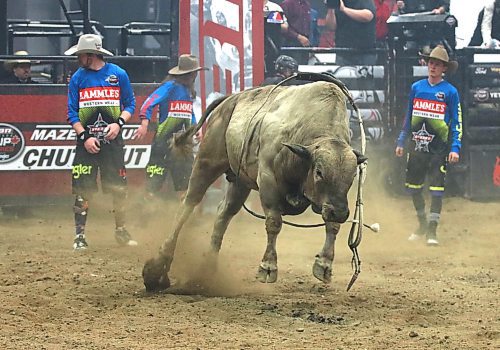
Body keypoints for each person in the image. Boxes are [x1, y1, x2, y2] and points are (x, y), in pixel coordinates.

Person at [65, 34, 137, 250]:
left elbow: (130, 103)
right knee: (82, 190)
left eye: (81, 54)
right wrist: (84, 137)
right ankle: (79, 236)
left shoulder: (118, 74)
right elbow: (72, 112)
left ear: (91, 55)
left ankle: (121, 230)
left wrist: (118, 124)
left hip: (112, 144)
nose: (79, 58)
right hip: (86, 145)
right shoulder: (77, 78)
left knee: (118, 188)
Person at [395, 46, 462, 246]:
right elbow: (409, 116)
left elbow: (457, 121)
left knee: (436, 189)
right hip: (416, 148)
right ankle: (422, 223)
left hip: (439, 149)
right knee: (413, 188)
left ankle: (432, 230)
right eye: (431, 63)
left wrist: (455, 147)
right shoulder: (417, 88)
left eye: (438, 64)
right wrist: (401, 140)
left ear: (445, 68)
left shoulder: (450, 92)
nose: (433, 67)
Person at [134, 54, 207, 205]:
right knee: (152, 188)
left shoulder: (187, 92)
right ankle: (143, 218)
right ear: (190, 74)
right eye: (194, 72)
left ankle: (184, 222)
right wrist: (144, 123)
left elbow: (188, 113)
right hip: (163, 144)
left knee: (185, 187)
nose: (195, 75)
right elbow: (148, 103)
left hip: (183, 147)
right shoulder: (170, 87)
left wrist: (196, 128)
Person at [325, 0, 377, 65]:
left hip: (364, 52)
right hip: (343, 53)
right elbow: (331, 27)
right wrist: (331, 9)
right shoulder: (339, 2)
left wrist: (344, 9)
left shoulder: (363, 1)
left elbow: (368, 16)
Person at [281, 0, 312, 65]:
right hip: (291, 44)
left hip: (305, 45)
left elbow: (307, 26)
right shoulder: (286, 4)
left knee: (304, 70)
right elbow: (282, 27)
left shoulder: (306, 4)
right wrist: (298, 37)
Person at [264, 0, 289, 77]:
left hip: (271, 49)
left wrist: (268, 21)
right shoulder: (246, 7)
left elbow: (285, 27)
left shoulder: (274, 8)